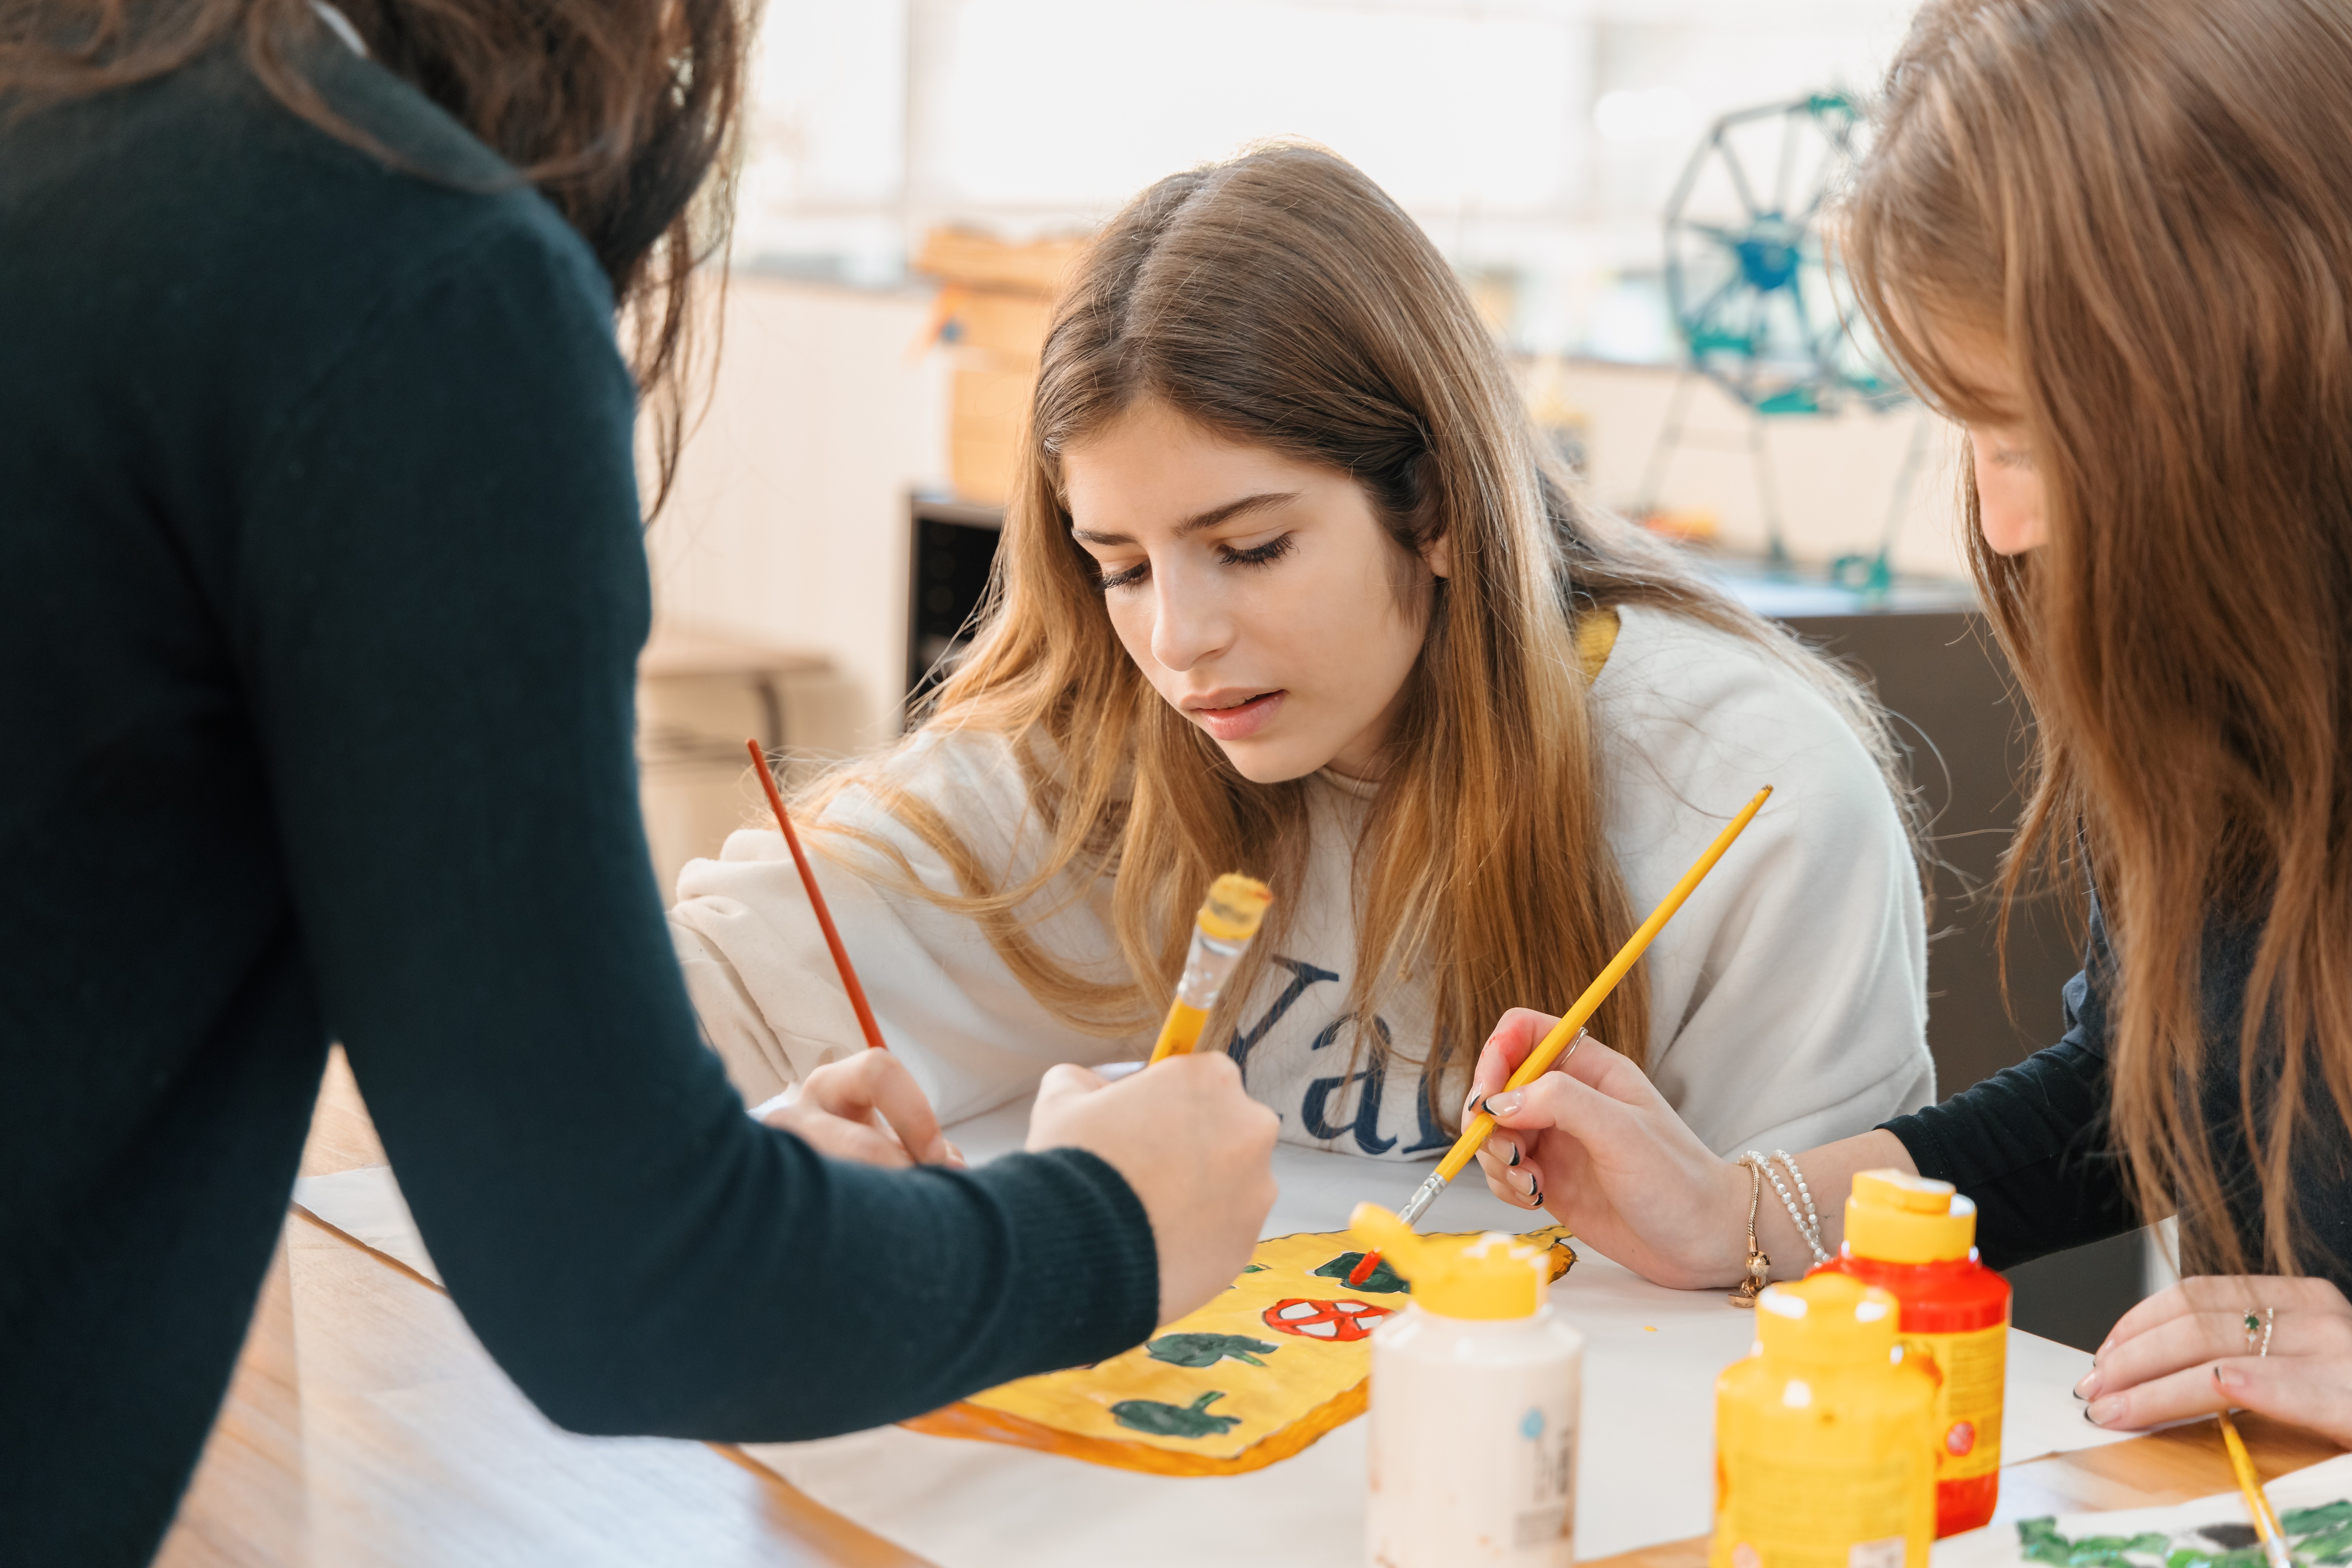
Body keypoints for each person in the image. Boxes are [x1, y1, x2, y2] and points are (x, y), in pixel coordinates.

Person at [0, 4, 1279, 1563]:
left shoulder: (68, 105)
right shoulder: (403, 272)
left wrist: (744, 1201)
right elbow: (625, 1284)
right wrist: (1112, 1222)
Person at [669, 144, 1935, 1171]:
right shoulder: (1105, 745)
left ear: (1435, 507)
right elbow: (695, 991)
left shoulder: (1750, 792)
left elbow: (1833, 1278)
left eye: (1254, 548)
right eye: (1120, 566)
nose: (1179, 641)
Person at [1458, 0, 2352, 1448]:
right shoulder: (2237, 691)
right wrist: (1741, 1214)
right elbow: (2144, 1085)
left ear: (2261, 371)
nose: (2001, 517)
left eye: (2027, 434)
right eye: (1970, 436)